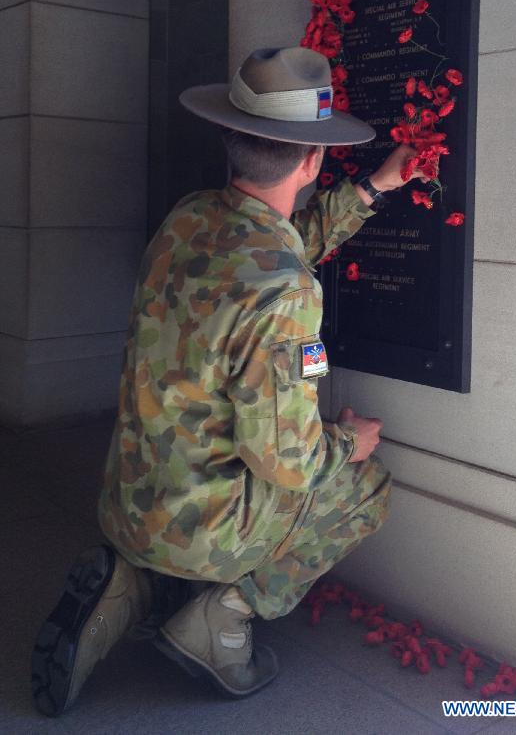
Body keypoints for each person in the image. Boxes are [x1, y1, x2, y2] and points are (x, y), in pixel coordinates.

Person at [31, 47, 433, 716]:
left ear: (232, 138)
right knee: (364, 489)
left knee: (213, 491)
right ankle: (217, 623)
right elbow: (288, 461)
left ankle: (132, 585)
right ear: (312, 160)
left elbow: (273, 242)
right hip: (204, 526)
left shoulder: (188, 219)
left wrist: (371, 190)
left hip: (132, 499)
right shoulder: (285, 288)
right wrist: (349, 444)